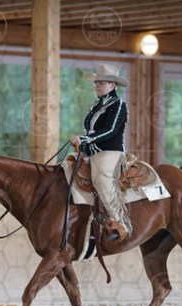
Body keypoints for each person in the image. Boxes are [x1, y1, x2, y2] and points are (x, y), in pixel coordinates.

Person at [71, 64, 132, 243]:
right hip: (91, 151)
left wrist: (84, 139)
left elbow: (111, 130)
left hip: (109, 151)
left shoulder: (119, 105)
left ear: (113, 85)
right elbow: (91, 129)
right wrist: (84, 142)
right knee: (68, 168)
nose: (97, 86)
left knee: (101, 180)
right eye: (96, 83)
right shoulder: (96, 104)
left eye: (102, 83)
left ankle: (120, 222)